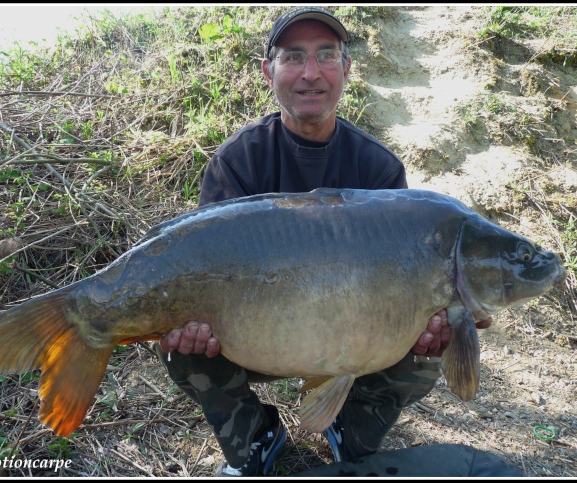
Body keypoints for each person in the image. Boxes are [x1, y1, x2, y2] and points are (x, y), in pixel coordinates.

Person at [154, 7, 491, 477]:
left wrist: (427, 324)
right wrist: (188, 321)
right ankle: (255, 440)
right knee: (184, 348)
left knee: (423, 350)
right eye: (294, 57)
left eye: (326, 55)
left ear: (346, 69)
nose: (311, 73)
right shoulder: (237, 161)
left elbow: (407, 275)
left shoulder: (379, 170)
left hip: (353, 337)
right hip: (255, 338)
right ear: (268, 70)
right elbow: (200, 264)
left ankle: (350, 432)